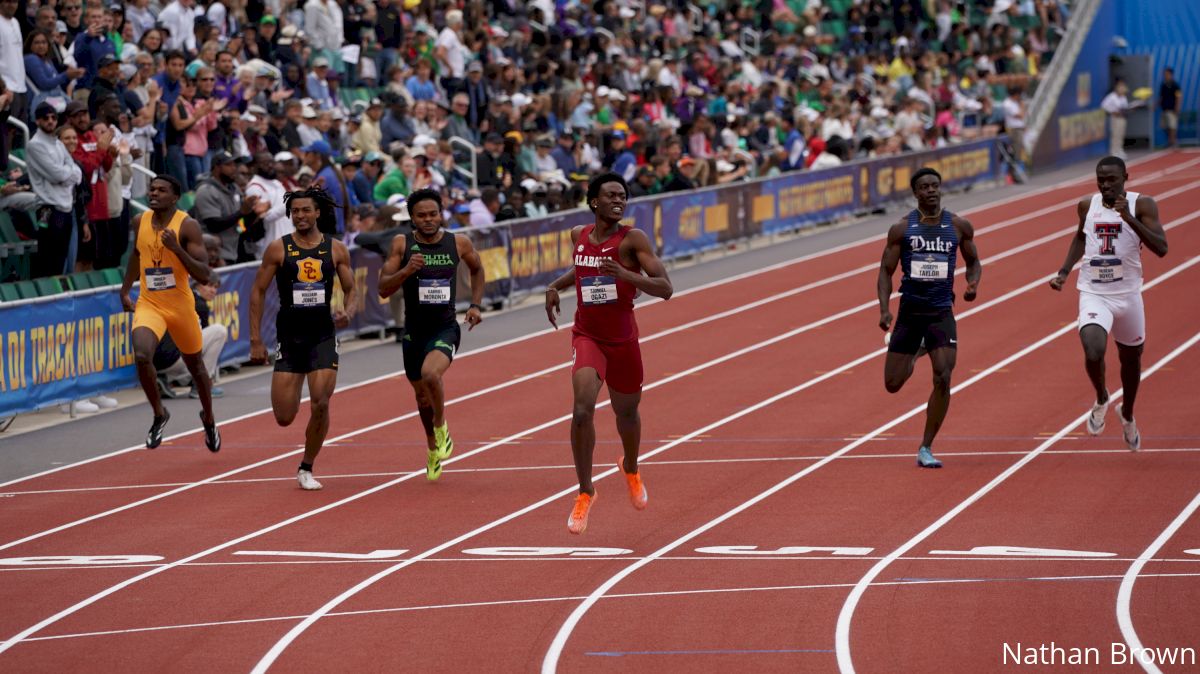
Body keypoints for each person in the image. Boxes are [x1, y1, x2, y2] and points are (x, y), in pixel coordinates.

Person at [544, 173, 674, 534]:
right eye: (611, 195)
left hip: (623, 341)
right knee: (582, 409)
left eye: (623, 196)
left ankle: (630, 467)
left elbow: (665, 288)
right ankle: (585, 491)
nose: (618, 200)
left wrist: (625, 274)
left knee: (627, 414)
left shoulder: (633, 239)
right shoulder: (578, 236)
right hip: (588, 336)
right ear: (594, 202)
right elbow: (582, 269)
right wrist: (555, 285)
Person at [1049, 156, 1168, 451]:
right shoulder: (1086, 205)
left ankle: (1126, 413)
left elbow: (1162, 248)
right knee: (1093, 348)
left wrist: (1128, 217)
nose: (1105, 185)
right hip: (1094, 292)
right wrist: (1064, 272)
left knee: (1131, 360)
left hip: (1128, 295)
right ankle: (1102, 396)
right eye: (1101, 179)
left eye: (1112, 179)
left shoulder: (1143, 205)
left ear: (1125, 177)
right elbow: (1080, 237)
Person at [250, 187, 357, 490]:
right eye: (295, 211)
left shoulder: (335, 249)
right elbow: (257, 291)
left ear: (317, 212)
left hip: (322, 334)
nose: (300, 216)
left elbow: (352, 290)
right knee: (284, 417)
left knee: (321, 402)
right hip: (290, 336)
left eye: (305, 210)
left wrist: (348, 312)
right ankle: (294, 385)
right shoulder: (278, 249)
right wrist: (256, 340)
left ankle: (306, 467)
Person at [378, 188, 485, 481]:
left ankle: (442, 427)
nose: (428, 220)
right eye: (421, 216)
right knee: (422, 398)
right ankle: (431, 445)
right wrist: (406, 272)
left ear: (442, 214)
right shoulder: (402, 244)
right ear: (412, 219)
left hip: (445, 327)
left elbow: (477, 269)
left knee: (431, 376)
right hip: (413, 332)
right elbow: (383, 289)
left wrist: (475, 304)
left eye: (433, 214)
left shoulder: (457, 242)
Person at [878, 167, 982, 469]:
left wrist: (973, 283)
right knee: (893, 383)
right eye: (924, 187)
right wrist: (884, 308)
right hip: (910, 312)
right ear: (915, 193)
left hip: (940, 312)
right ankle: (915, 353)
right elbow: (885, 271)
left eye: (935, 186)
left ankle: (926, 446)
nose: (931, 191)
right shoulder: (902, 229)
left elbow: (974, 262)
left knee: (943, 376)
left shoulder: (959, 226)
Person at [120, 174, 221, 451]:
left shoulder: (187, 226)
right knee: (141, 354)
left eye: (161, 190)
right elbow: (137, 256)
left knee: (197, 368)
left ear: (174, 197)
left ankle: (209, 418)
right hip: (149, 303)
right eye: (152, 189)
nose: (153, 193)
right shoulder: (139, 222)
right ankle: (159, 413)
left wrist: (176, 248)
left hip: (179, 306)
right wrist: (125, 289)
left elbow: (203, 274)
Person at [1159, 68, 1181, 148]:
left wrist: (1177, 107)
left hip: (1172, 109)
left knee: (1172, 126)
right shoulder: (1163, 85)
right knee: (1165, 126)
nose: (1165, 75)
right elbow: (1161, 97)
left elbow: (1178, 97)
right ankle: (1170, 141)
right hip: (1164, 109)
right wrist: (1155, 105)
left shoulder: (1175, 85)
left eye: (1167, 74)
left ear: (1171, 74)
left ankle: (1173, 142)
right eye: (1164, 74)